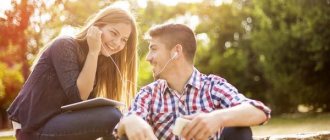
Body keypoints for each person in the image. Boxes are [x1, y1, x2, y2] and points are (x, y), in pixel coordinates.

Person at [117, 23, 271, 140]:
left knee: (238, 129)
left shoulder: (213, 87)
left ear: (176, 52)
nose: (148, 57)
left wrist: (217, 118)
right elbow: (127, 121)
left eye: (154, 49)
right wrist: (130, 120)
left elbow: (259, 111)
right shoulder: (148, 94)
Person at [7, 4, 138, 140]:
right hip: (33, 127)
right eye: (114, 33)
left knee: (121, 122)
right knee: (112, 116)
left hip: (58, 121)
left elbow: (82, 108)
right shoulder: (65, 45)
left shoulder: (100, 62)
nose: (117, 43)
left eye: (124, 40)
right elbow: (78, 98)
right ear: (97, 28)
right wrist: (93, 52)